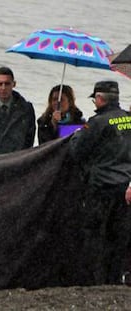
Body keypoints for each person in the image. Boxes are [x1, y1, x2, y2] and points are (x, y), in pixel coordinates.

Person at [69, 80, 131, 285]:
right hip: (125, 187)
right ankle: (114, 278)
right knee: (119, 235)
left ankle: (94, 279)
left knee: (95, 233)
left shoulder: (97, 122)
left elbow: (77, 151)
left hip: (101, 186)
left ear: (100, 99)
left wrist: (76, 135)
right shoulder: (128, 119)